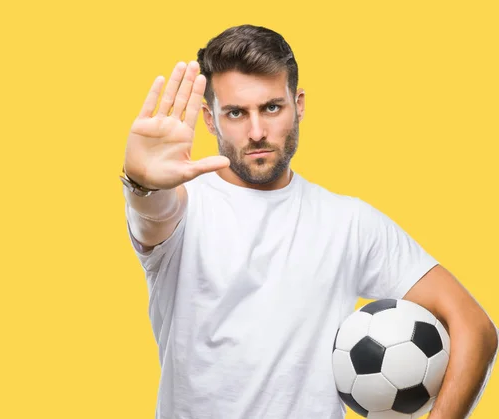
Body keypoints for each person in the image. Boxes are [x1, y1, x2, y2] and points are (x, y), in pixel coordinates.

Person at [120, 24, 498, 418]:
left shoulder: (348, 222)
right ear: (209, 119)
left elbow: (474, 327)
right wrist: (142, 185)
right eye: (235, 113)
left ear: (297, 104)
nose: (256, 132)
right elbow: (154, 216)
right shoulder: (185, 206)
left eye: (271, 107)